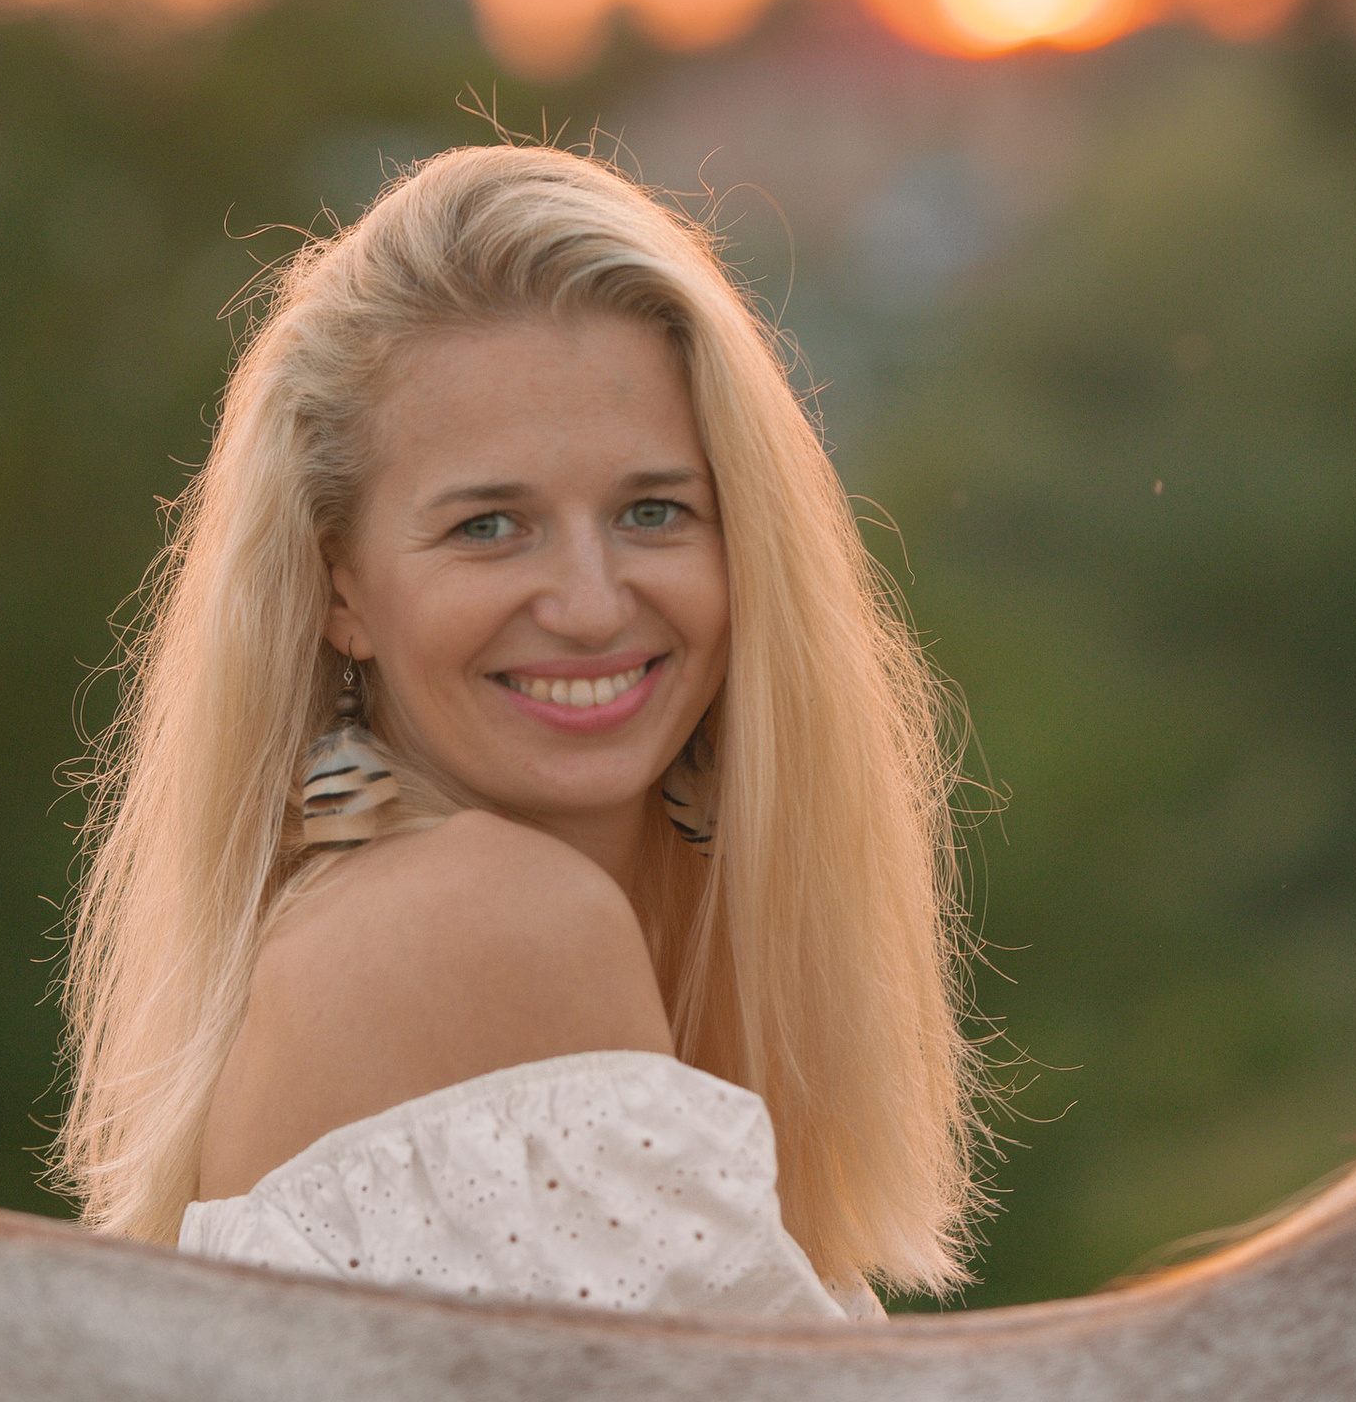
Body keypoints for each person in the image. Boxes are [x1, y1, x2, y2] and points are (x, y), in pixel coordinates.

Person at [54, 142, 979, 1320]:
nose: (590, 605)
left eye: (654, 512)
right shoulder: (491, 925)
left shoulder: (392, 920)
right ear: (339, 589)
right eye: (489, 527)